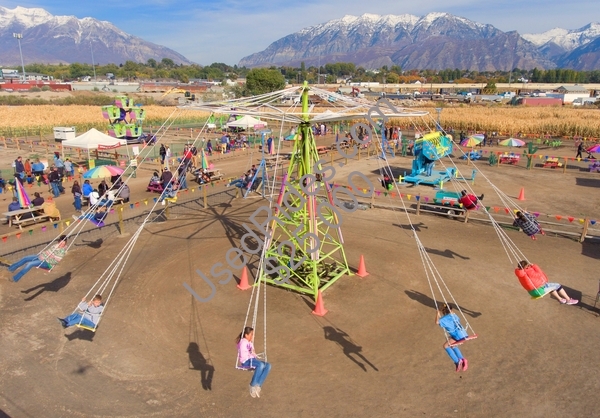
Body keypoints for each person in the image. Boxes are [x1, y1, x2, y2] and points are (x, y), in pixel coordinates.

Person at [514, 261, 578, 304]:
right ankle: (568, 300)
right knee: (558, 285)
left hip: (532, 293)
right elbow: (540, 274)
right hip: (539, 290)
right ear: (527, 266)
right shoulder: (529, 271)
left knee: (551, 287)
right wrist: (534, 266)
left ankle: (560, 299)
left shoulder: (520, 274)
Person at [236, 327, 271, 398]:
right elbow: (243, 353)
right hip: (246, 361)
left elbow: (253, 353)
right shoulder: (243, 342)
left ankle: (258, 385)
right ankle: (252, 385)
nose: (253, 336)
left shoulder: (250, 343)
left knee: (268, 365)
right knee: (260, 365)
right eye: (251, 334)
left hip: (252, 360)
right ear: (246, 335)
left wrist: (254, 354)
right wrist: (251, 352)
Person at [436, 304, 469, 372]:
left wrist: (437, 314)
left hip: (458, 336)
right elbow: (451, 316)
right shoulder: (454, 315)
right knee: (452, 345)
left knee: (446, 346)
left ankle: (457, 361)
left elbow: (437, 322)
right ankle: (462, 360)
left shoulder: (444, 319)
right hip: (463, 334)